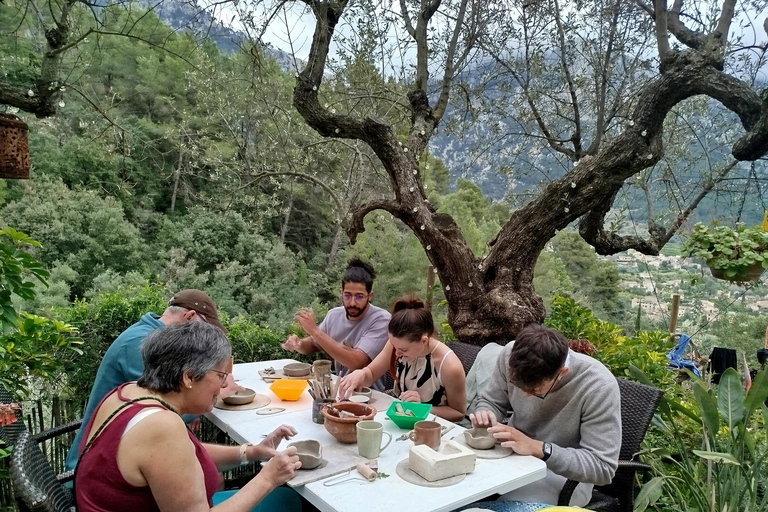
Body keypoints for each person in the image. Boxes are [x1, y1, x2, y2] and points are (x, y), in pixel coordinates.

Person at [75, 322, 302, 512]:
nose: (223, 385)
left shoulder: (127, 392)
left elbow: (178, 457)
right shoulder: (161, 426)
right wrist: (268, 478)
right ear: (189, 377)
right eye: (221, 375)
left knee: (286, 500)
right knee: (287, 502)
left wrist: (251, 452)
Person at [65, 289, 237, 473]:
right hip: (94, 468)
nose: (204, 336)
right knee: (206, 473)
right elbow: (162, 409)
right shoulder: (139, 343)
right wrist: (217, 395)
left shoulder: (154, 335)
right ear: (189, 316)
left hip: (123, 449)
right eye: (204, 328)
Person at [470, 324, 621, 510]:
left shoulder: (598, 386)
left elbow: (602, 467)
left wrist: (539, 448)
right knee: (457, 490)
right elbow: (491, 401)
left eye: (535, 390)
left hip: (563, 477)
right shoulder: (509, 354)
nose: (525, 395)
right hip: (510, 458)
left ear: (562, 373)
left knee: (504, 507)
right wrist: (486, 413)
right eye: (519, 386)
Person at [338, 297, 467, 421]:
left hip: (432, 426)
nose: (397, 353)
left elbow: (458, 413)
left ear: (424, 341)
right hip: (399, 418)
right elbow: (371, 373)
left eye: (403, 350)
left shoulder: (449, 366)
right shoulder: (397, 345)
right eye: (394, 346)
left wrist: (420, 408)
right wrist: (360, 374)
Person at [281, 258, 391, 389]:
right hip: (338, 388)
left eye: (359, 297)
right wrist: (299, 344)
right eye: (347, 296)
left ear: (370, 295)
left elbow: (357, 362)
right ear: (341, 293)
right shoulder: (334, 315)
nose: (352, 303)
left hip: (369, 393)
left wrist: (315, 332)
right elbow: (313, 343)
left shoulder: (381, 319)